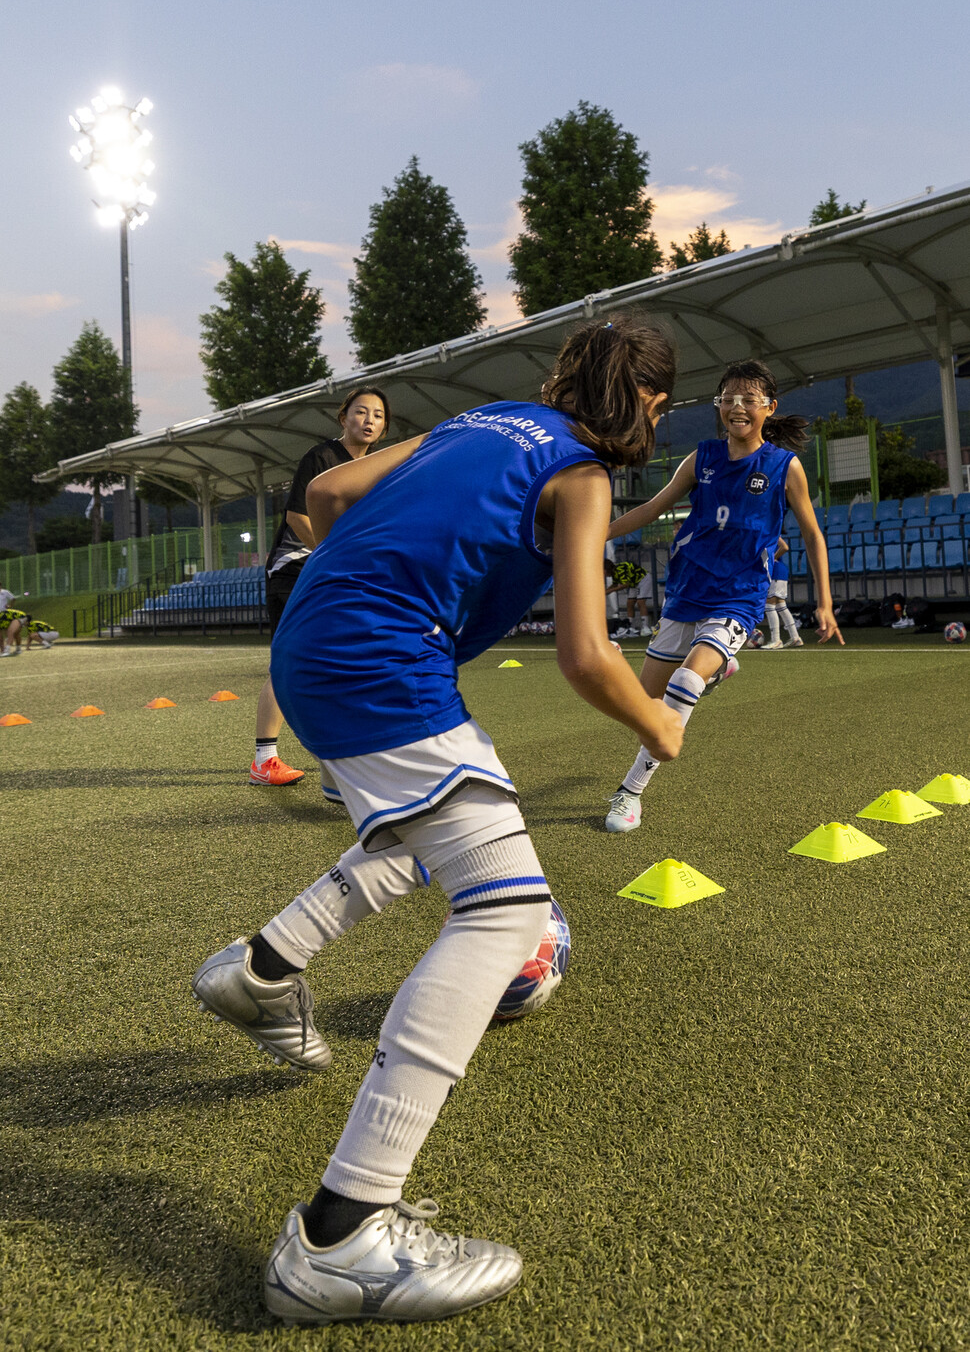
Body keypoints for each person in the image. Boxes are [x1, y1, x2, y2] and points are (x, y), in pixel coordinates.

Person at [191, 316, 684, 1326]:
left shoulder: (488, 417)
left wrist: (366, 586)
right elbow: (588, 656)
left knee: (426, 838)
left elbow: (328, 495)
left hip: (311, 641)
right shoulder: (583, 477)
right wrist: (658, 726)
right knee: (505, 911)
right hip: (382, 658)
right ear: (651, 406)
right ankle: (343, 1233)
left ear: (561, 376)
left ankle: (262, 968)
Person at [604, 358, 842, 835]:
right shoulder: (702, 457)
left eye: (748, 399)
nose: (737, 407)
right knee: (647, 707)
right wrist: (589, 538)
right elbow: (653, 508)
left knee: (686, 685)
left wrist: (825, 603)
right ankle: (720, 666)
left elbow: (813, 535)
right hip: (688, 589)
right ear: (718, 406)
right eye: (728, 398)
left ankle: (629, 793)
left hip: (740, 595)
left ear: (769, 408)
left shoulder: (782, 466)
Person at [250, 388, 390, 786]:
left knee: (346, 659)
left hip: (333, 570)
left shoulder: (377, 469)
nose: (369, 420)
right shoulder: (322, 458)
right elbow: (297, 517)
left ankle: (352, 751)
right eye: (361, 412)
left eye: (378, 416)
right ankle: (265, 759)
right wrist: (340, 559)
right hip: (296, 570)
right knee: (289, 664)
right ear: (342, 417)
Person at [763, 536, 804, 648]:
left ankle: (776, 640)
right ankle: (795, 637)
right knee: (781, 605)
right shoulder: (766, 532)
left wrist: (771, 560)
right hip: (780, 571)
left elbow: (785, 547)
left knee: (769, 605)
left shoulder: (770, 531)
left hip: (775, 571)